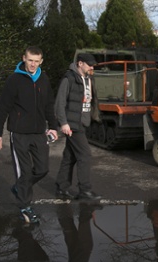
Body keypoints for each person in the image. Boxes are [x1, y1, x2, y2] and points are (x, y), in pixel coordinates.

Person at [0, 46, 58, 224]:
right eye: (30, 60)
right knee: (24, 172)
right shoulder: (14, 79)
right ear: (24, 58)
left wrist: (53, 127)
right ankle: (25, 207)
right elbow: (3, 107)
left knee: (43, 169)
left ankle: (19, 188)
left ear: (41, 61)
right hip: (19, 133)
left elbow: (49, 105)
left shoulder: (43, 79)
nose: (33, 64)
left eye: (36, 61)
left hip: (38, 133)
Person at [55, 53, 101, 201]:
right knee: (85, 155)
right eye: (89, 64)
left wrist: (94, 117)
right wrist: (63, 123)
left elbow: (90, 101)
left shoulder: (88, 78)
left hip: (82, 123)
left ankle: (62, 188)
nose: (92, 67)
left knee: (70, 156)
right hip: (72, 124)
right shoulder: (68, 79)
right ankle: (85, 190)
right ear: (80, 63)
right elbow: (59, 103)